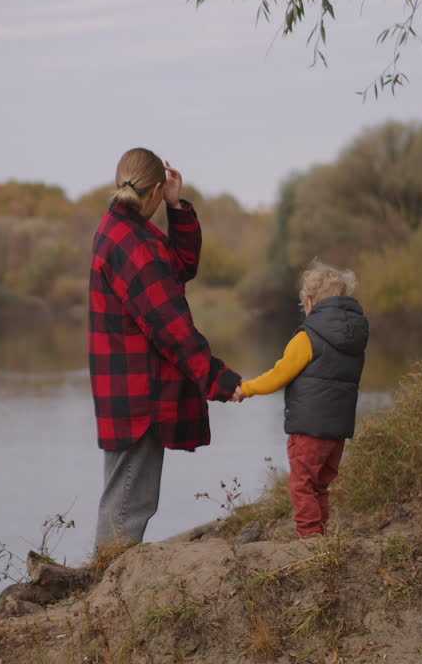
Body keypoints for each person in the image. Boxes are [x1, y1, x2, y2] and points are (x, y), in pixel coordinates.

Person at [89, 147, 244, 549]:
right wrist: (218, 379)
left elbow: (179, 268)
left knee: (126, 498)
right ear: (156, 189)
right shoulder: (132, 242)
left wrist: (177, 208)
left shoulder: (125, 229)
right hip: (138, 394)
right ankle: (109, 582)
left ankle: (107, 579)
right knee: (128, 503)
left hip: (128, 389)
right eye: (164, 196)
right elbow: (171, 327)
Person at [238, 260, 370, 538]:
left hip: (309, 429)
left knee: (302, 484)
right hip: (338, 431)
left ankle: (309, 537)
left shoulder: (308, 337)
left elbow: (279, 375)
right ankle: (320, 535)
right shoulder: (355, 339)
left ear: (309, 303)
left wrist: (246, 388)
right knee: (319, 485)